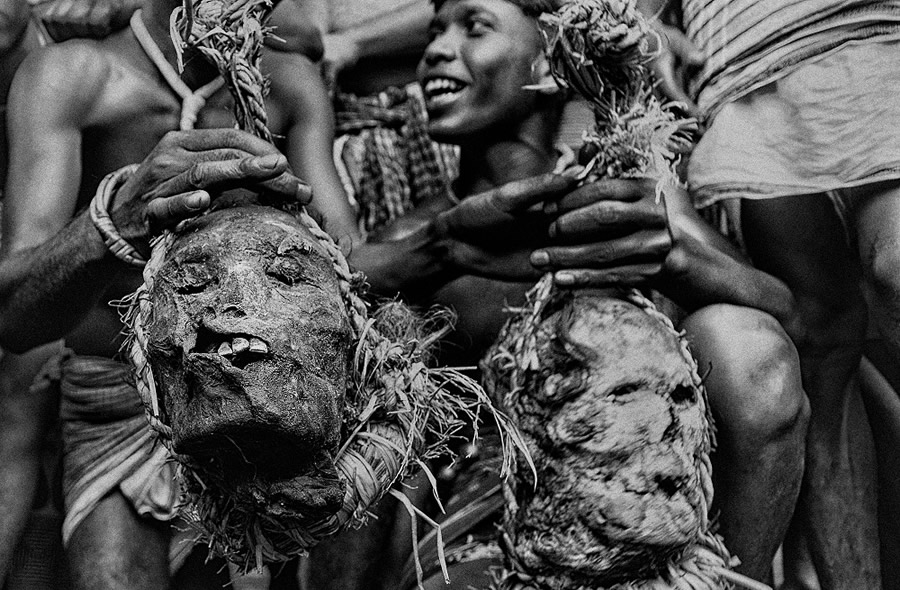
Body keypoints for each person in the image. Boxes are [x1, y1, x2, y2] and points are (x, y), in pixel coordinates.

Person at [307, 0, 808, 587]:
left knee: (748, 346)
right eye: (435, 32)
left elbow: (789, 321)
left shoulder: (627, 198)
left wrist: (671, 255)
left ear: (549, 64)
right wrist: (439, 250)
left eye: (474, 26)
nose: (437, 50)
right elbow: (337, 342)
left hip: (655, 490)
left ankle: (720, 580)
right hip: (500, 516)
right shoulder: (417, 240)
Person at [0, 0, 353, 582]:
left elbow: (347, 264)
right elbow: (14, 315)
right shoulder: (74, 75)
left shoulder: (285, 82)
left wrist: (444, 238)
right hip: (113, 402)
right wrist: (112, 222)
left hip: (255, 409)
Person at [677, 1, 900, 588]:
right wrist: (654, 31)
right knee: (822, 349)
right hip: (740, 71)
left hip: (868, 35)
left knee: (897, 271)